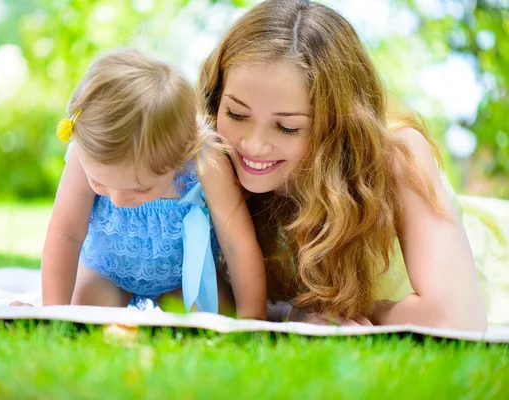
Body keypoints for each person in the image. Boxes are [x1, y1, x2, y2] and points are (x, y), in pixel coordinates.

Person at [198, 0, 506, 330]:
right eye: (237, 114)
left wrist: (360, 314)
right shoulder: (212, 158)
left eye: (287, 127)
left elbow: (458, 320)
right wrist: (297, 315)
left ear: (337, 124)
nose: (253, 145)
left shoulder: (397, 157)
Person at [13, 49, 267, 320]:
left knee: (212, 322)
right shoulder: (83, 156)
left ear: (182, 153)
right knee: (82, 319)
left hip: (184, 276)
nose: (119, 200)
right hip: (107, 272)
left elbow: (237, 243)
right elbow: (65, 234)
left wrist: (253, 317)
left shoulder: (204, 159)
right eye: (99, 182)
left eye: (141, 188)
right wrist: (53, 310)